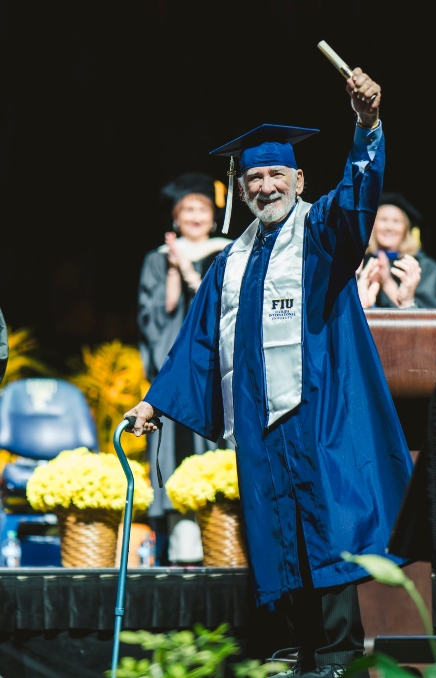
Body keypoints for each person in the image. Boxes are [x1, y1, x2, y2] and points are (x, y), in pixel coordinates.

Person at [125, 67, 413, 677]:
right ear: (242, 188)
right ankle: (293, 650)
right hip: (261, 426)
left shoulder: (323, 233)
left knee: (326, 531)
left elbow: (361, 198)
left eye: (276, 173)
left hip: (316, 413)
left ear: (298, 178)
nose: (264, 184)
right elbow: (196, 344)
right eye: (253, 176)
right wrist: (152, 404)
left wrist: (367, 125)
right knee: (276, 535)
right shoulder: (230, 261)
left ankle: (336, 655)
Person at [137, 172, 233, 564]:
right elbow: (156, 317)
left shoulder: (229, 253)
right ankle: (180, 551)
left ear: (213, 218)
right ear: (176, 218)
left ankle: (224, 538)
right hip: (176, 371)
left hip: (215, 368)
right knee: (175, 443)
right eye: (187, 209)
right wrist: (175, 266)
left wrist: (191, 270)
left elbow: (226, 308)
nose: (195, 216)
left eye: (202, 209)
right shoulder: (157, 261)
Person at [357, 192, 436, 309]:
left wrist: (388, 284)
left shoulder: (425, 267)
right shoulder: (359, 264)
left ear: (406, 228)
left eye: (396, 221)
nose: (389, 227)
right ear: (372, 225)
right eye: (383, 219)